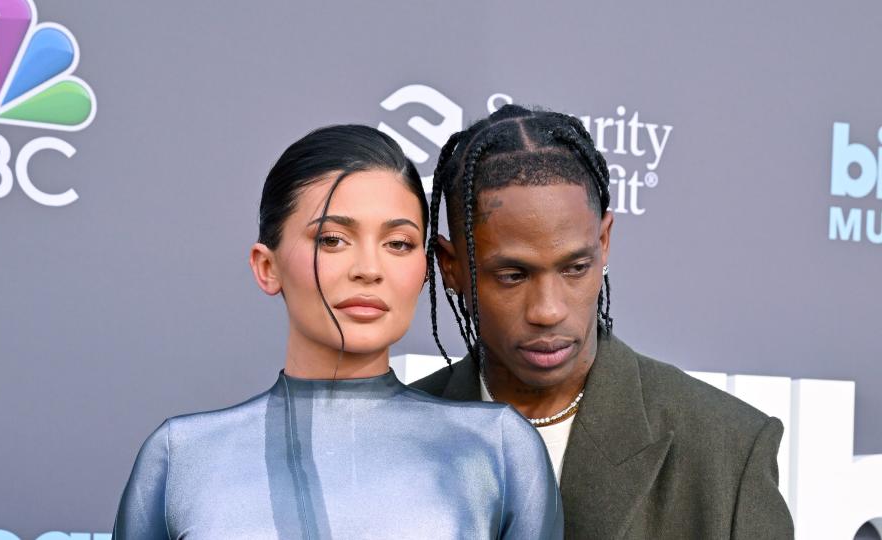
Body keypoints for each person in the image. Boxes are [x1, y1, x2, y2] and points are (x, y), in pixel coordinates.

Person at [112, 125, 563, 539]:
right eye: (332, 240)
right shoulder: (181, 458)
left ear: (424, 270)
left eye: (399, 244)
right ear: (266, 267)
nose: (369, 269)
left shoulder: (497, 451)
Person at [412, 105, 795, 539]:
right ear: (452, 267)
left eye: (575, 267)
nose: (548, 310)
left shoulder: (729, 449)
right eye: (513, 275)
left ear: (604, 242)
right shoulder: (397, 439)